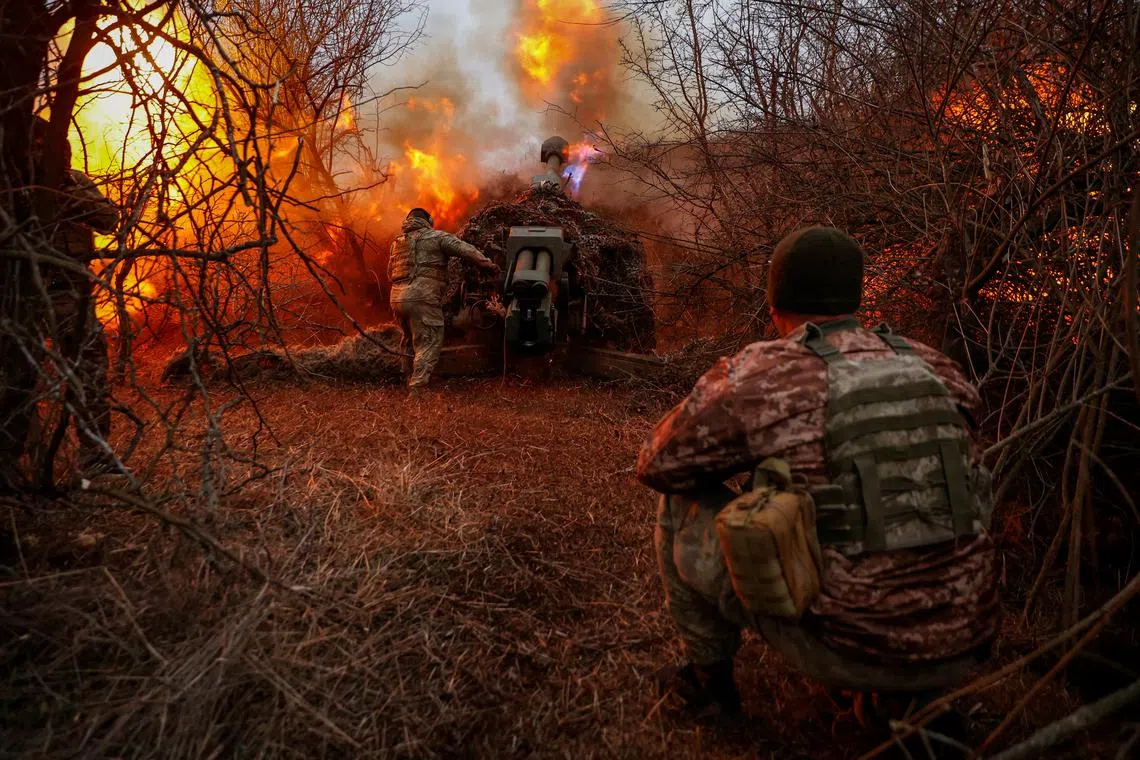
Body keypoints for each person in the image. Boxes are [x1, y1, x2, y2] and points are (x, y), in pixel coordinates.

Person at [637, 227, 999, 737]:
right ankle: (916, 701)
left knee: (682, 503)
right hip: (964, 642)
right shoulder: (936, 366)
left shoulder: (764, 372)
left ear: (775, 303)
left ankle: (707, 690)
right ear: (856, 296)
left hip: (847, 645)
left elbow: (658, 464)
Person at [0, 117, 119, 484]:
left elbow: (108, 218)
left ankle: (95, 456)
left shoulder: (76, 181)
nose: (41, 152)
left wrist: (63, 193)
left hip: (69, 289)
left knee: (90, 363)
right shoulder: (11, 187)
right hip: (21, 294)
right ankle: (9, 461)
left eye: (46, 145)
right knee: (20, 375)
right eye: (33, 146)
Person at [388, 208, 498, 394]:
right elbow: (465, 250)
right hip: (422, 297)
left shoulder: (397, 243)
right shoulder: (436, 237)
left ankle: (407, 378)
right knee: (428, 342)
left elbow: (390, 272)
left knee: (408, 340)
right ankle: (417, 390)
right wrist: (488, 265)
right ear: (428, 221)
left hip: (397, 298)